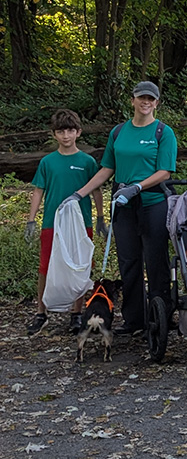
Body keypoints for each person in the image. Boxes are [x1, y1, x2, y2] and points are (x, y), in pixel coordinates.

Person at [72, 81, 177, 336]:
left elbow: (165, 172)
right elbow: (108, 169)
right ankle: (134, 320)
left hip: (153, 204)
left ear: (156, 103)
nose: (146, 102)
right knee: (129, 262)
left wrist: (138, 187)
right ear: (132, 100)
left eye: (151, 99)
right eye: (141, 98)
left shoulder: (164, 132)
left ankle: (161, 319)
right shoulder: (118, 132)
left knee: (156, 263)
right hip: (123, 206)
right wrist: (79, 194)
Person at [25, 109, 106, 336]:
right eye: (60, 131)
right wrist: (31, 220)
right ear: (54, 134)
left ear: (78, 132)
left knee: (80, 267)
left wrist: (100, 218)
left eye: (70, 130)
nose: (66, 135)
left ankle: (76, 313)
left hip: (81, 224)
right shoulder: (48, 162)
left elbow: (96, 190)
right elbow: (39, 191)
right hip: (52, 223)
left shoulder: (87, 161)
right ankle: (41, 313)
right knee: (45, 267)